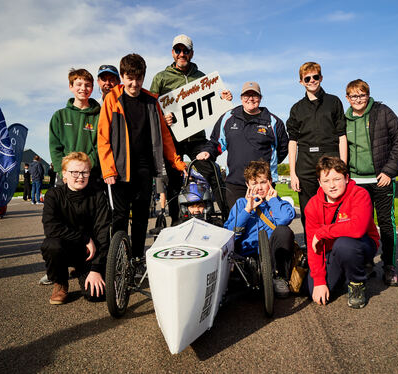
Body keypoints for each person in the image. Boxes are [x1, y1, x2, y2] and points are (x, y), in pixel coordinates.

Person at [98, 53, 186, 260]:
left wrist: (176, 162)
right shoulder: (112, 100)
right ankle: (118, 261)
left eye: (138, 78)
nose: (134, 83)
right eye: (129, 78)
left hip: (144, 169)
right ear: (122, 77)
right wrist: (108, 169)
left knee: (140, 219)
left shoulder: (152, 101)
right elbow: (102, 138)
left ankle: (137, 259)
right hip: (119, 170)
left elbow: (165, 137)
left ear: (143, 77)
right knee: (118, 218)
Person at [150, 34, 232, 224]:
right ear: (172, 52)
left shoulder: (202, 78)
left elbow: (213, 104)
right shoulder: (161, 78)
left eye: (185, 50)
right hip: (174, 138)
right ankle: (176, 222)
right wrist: (163, 116)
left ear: (191, 53)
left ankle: (227, 219)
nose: (181, 54)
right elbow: (151, 107)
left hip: (197, 138)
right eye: (178, 50)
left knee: (213, 173)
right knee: (173, 181)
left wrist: (224, 98)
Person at [344, 79, 398, 286]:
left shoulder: (382, 111)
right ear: (348, 98)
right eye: (354, 96)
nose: (358, 99)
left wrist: (389, 171)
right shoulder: (344, 120)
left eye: (362, 95)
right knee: (361, 224)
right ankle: (367, 262)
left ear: (368, 95)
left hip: (381, 179)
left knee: (385, 223)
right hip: (355, 182)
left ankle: (389, 266)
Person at [197, 81, 289, 208]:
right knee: (238, 224)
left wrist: (267, 168)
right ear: (241, 98)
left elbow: (283, 149)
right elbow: (215, 142)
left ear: (260, 98)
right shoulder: (228, 118)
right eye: (246, 95)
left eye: (254, 95)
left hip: (263, 184)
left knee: (266, 225)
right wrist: (207, 151)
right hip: (235, 184)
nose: (250, 99)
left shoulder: (273, 122)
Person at [305, 156, 380, 309]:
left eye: (337, 179)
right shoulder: (312, 205)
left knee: (344, 245)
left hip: (361, 244)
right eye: (326, 181)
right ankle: (344, 272)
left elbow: (357, 229)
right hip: (331, 250)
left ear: (346, 178)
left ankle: (356, 282)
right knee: (313, 291)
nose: (332, 185)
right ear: (319, 183)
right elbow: (314, 248)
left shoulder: (360, 194)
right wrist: (319, 281)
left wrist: (322, 232)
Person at [41, 152, 110, 305]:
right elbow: (51, 228)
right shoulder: (53, 195)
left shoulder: (98, 196)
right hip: (64, 248)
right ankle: (60, 282)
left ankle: (81, 271)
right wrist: (84, 238)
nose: (80, 176)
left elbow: (103, 233)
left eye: (84, 172)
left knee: (96, 295)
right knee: (51, 245)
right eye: (74, 172)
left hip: (89, 254)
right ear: (64, 174)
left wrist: (96, 269)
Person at [286, 62, 347, 232]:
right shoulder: (296, 108)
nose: (312, 80)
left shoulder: (334, 102)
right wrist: (293, 173)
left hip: (331, 160)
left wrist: (343, 167)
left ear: (321, 78)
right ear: (301, 82)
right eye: (307, 78)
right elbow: (293, 142)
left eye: (315, 77)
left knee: (334, 210)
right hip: (305, 164)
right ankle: (314, 254)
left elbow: (342, 135)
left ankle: (335, 253)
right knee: (309, 212)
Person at [224, 160, 296, 298]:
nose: (259, 187)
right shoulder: (241, 204)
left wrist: (272, 201)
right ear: (247, 185)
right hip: (248, 256)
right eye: (254, 183)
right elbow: (229, 235)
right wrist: (247, 210)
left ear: (270, 181)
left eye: (263, 182)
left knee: (284, 231)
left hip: (272, 255)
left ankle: (280, 277)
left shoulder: (279, 202)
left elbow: (285, 219)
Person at [49, 68, 101, 186]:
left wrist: (85, 167)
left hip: (91, 175)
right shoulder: (59, 116)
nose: (83, 88)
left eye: (87, 85)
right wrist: (64, 172)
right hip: (66, 177)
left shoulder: (100, 116)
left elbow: (101, 145)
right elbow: (55, 148)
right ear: (71, 86)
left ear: (92, 88)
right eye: (79, 84)